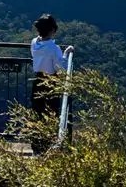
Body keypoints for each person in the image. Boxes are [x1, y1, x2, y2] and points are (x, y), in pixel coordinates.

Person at [30, 13, 73, 154]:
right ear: (52, 30)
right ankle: (48, 146)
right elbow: (60, 67)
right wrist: (66, 54)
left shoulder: (34, 43)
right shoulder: (53, 49)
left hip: (37, 81)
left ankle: (37, 145)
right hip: (50, 83)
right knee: (51, 114)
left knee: (37, 113)